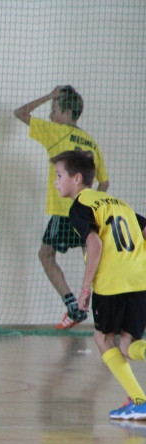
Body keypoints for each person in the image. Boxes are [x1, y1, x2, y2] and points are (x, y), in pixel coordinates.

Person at [52, 150, 146, 420]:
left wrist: (85, 289)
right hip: (139, 278)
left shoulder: (80, 206)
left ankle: (140, 400)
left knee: (103, 338)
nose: (56, 182)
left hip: (111, 282)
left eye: (59, 176)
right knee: (128, 345)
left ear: (77, 178)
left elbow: (94, 243)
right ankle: (138, 402)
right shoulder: (119, 203)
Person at [14, 85, 109, 329]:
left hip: (64, 211)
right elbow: (104, 182)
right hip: (86, 213)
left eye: (54, 110)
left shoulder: (56, 132)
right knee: (92, 261)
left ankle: (73, 305)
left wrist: (49, 95)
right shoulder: (90, 141)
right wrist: (92, 206)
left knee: (46, 255)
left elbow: (20, 113)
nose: (50, 115)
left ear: (67, 114)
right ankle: (106, 311)